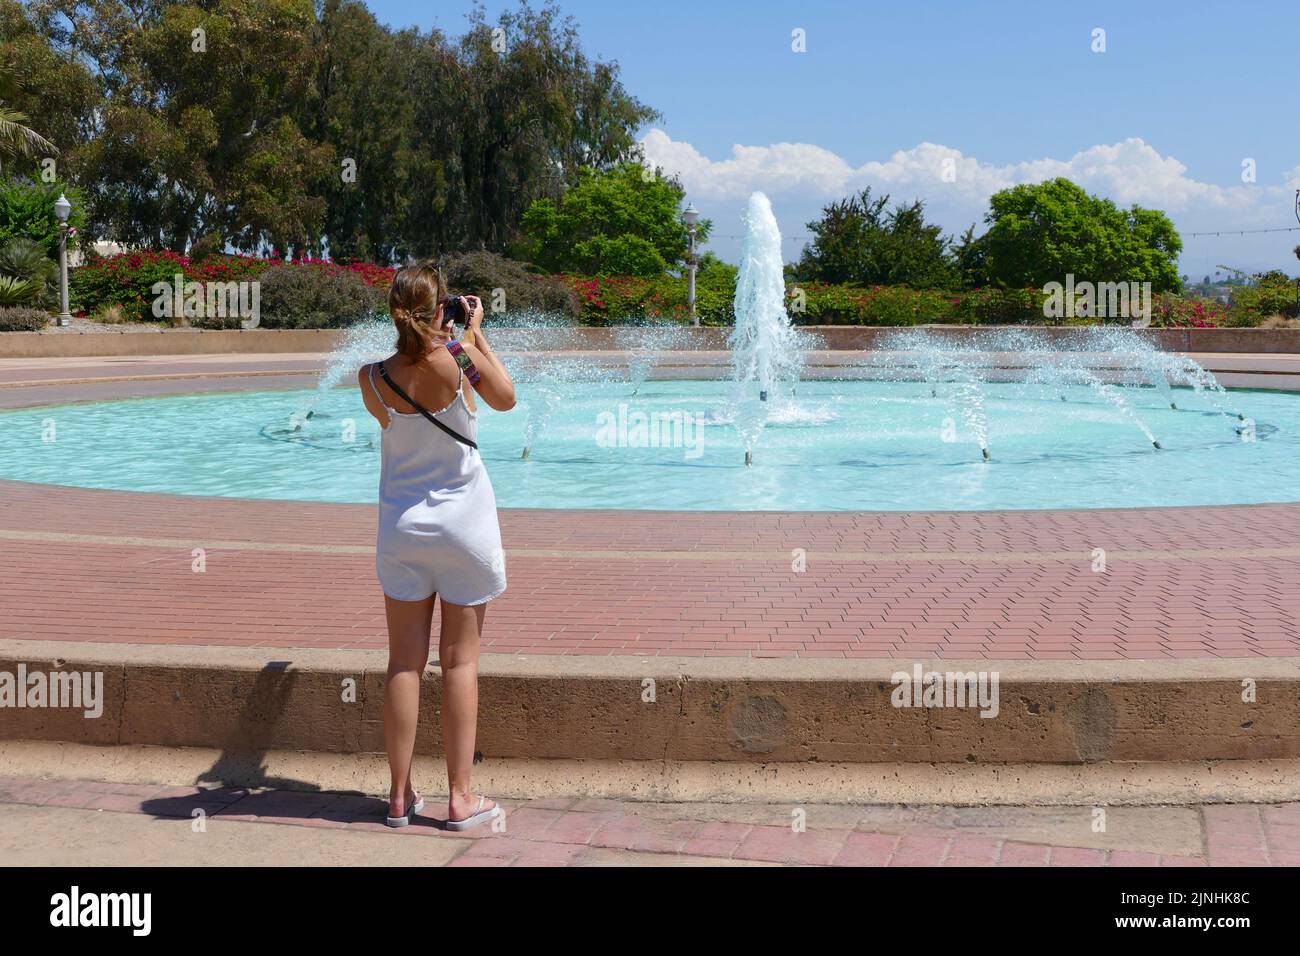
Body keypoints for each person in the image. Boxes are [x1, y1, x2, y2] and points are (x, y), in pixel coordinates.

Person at [357, 262, 516, 831]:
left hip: (403, 531)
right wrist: (473, 335)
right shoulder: (461, 362)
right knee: (459, 663)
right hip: (464, 530)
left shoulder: (370, 378)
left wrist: (449, 339)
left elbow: (395, 417)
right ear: (440, 308)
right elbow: (506, 398)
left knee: (404, 662)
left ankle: (398, 797)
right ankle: (460, 799)